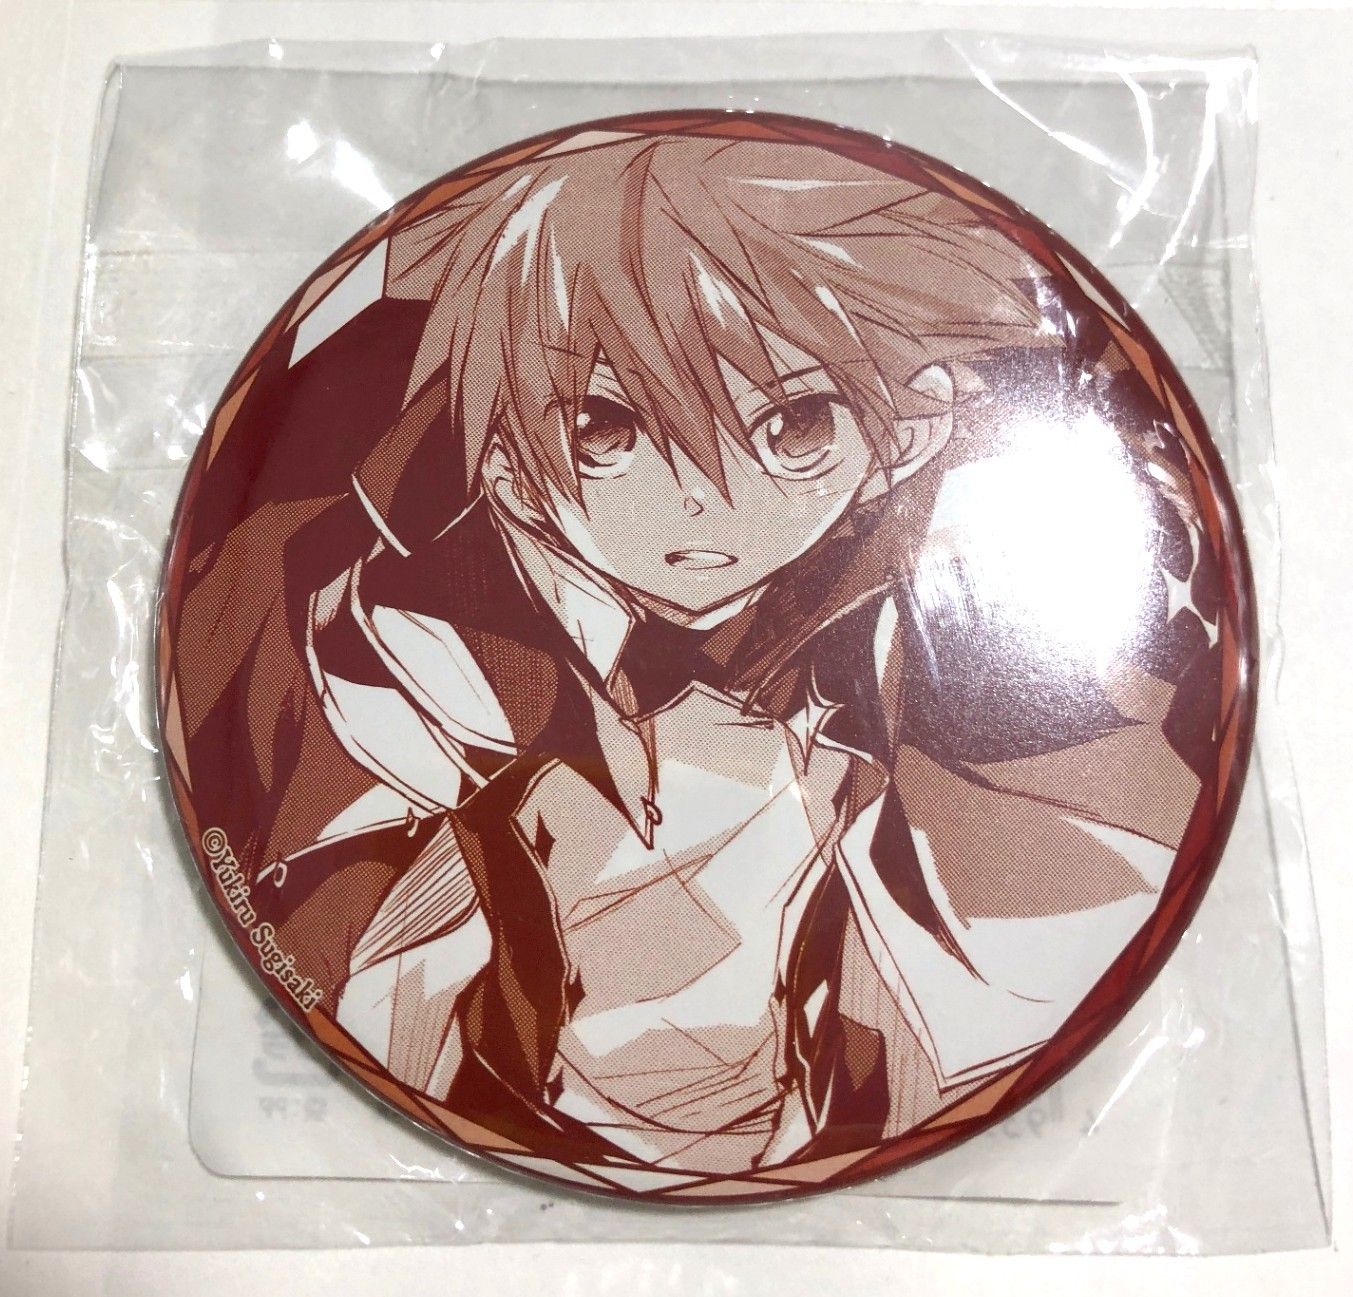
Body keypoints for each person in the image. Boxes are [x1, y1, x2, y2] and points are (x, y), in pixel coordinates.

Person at [171, 123, 1217, 1179]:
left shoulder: (949, 635)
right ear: (509, 461)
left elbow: (1068, 897)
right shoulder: (399, 645)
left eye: (794, 427)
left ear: (904, 436)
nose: (699, 503)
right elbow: (326, 913)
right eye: (602, 429)